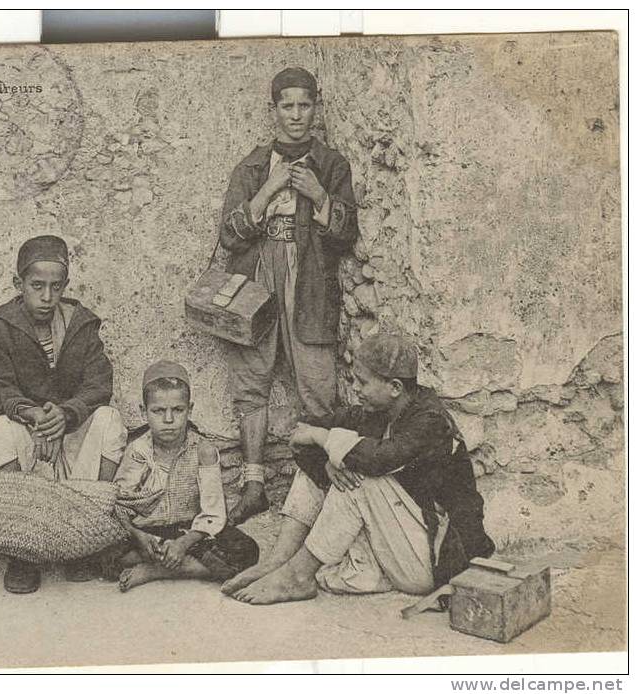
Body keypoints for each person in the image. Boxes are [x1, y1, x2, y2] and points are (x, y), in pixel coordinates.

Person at [221, 333, 495, 604]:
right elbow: (304, 429)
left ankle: (298, 577)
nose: (355, 389)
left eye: (362, 382)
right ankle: (279, 560)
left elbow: (379, 459)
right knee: (333, 464)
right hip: (399, 545)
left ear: (395, 387)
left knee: (359, 476)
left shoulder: (431, 421)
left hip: (436, 560)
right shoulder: (378, 412)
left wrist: (323, 439)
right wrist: (327, 462)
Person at [219, 67, 360, 523]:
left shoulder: (332, 164)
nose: (296, 115)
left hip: (310, 281)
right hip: (258, 278)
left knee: (317, 382)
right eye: (287, 105)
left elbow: (346, 234)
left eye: (305, 105)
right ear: (273, 109)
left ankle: (319, 486)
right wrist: (268, 190)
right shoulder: (253, 166)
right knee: (251, 381)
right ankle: (255, 483)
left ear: (315, 108)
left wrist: (319, 195)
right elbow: (231, 235)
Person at [0, 234, 128, 593]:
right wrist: (31, 414)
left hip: (69, 432)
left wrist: (67, 413)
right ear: (18, 283)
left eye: (55, 287)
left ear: (65, 286)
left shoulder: (81, 324)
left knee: (109, 420)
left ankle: (85, 537)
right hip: (30, 433)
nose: (46, 297)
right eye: (36, 286)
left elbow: (99, 383)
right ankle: (23, 550)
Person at [113, 360, 259, 592]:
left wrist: (183, 543)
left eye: (178, 410)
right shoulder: (138, 450)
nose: (168, 420)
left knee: (246, 551)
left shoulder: (203, 450)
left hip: (189, 533)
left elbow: (213, 512)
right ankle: (173, 562)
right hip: (147, 535)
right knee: (103, 552)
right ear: (144, 411)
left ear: (189, 410)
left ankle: (158, 569)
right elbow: (120, 504)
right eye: (158, 411)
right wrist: (139, 536)